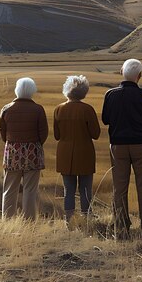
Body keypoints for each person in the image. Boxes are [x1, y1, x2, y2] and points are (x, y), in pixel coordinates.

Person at [102, 58, 142, 239]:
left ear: (121, 72)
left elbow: (105, 119)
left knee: (119, 187)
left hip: (118, 144)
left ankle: (120, 225)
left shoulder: (110, 94)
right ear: (139, 75)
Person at [0, 77, 48, 219]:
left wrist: (13, 145)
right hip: (33, 152)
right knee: (30, 190)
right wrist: (33, 146)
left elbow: (3, 133)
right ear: (32, 91)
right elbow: (43, 133)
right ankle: (29, 221)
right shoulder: (38, 109)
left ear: (17, 90)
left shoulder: (6, 109)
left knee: (9, 189)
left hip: (12, 152)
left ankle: (7, 221)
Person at [54, 75, 100, 223]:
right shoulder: (87, 109)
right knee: (86, 190)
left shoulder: (58, 109)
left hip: (65, 154)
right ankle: (87, 218)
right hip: (85, 153)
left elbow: (56, 135)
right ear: (84, 92)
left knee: (69, 190)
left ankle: (69, 221)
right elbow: (96, 134)